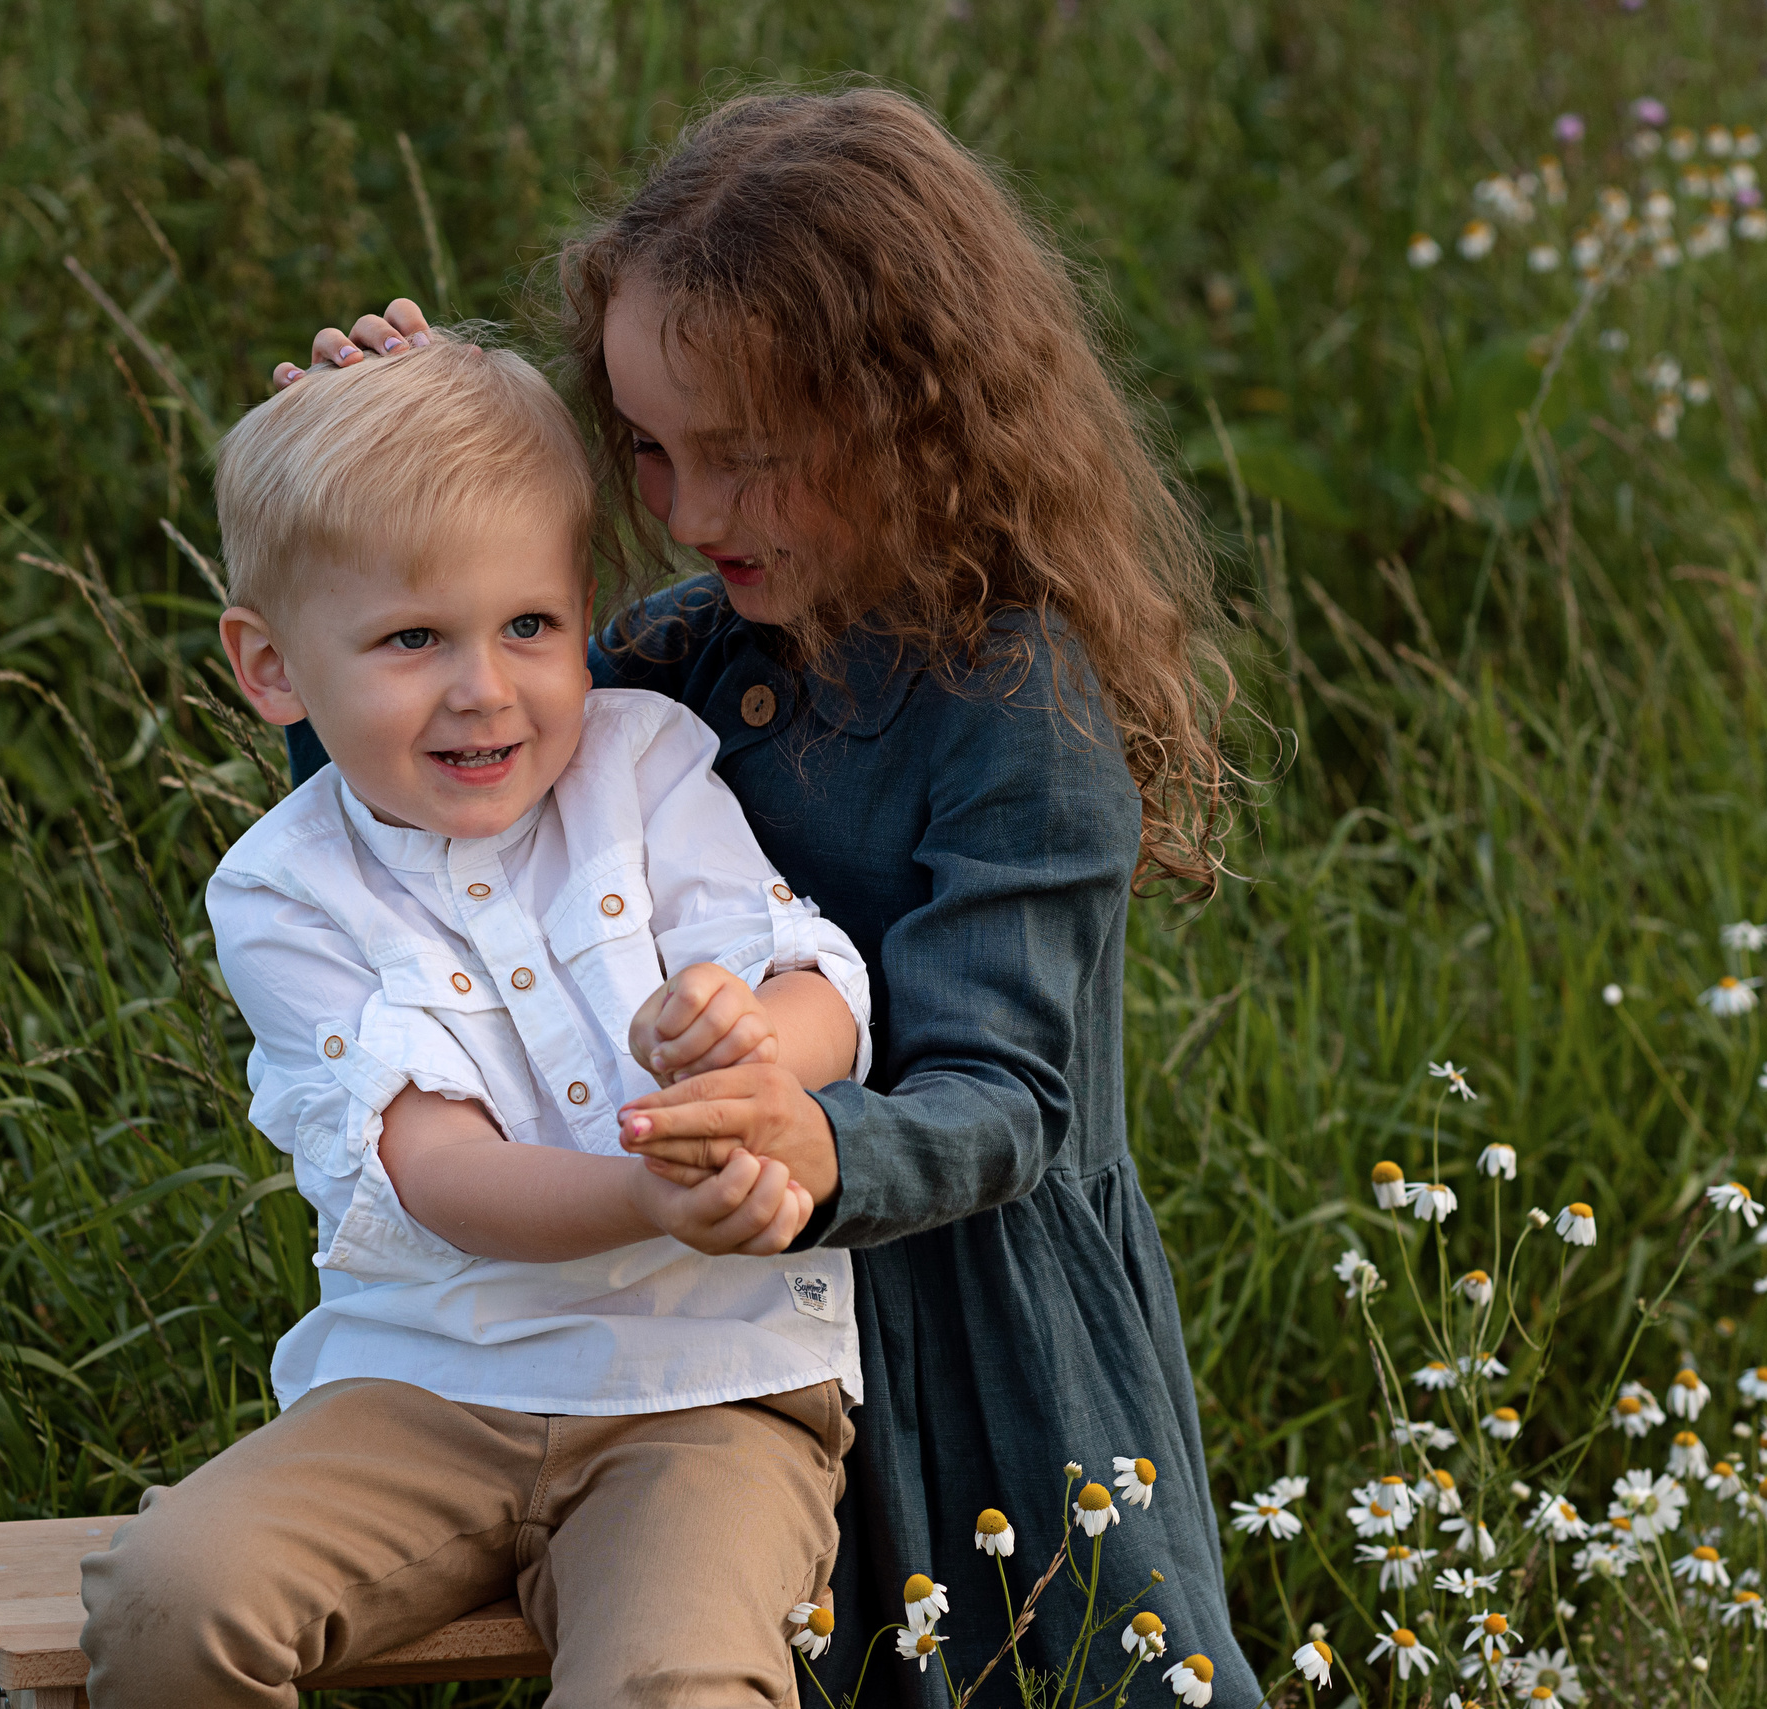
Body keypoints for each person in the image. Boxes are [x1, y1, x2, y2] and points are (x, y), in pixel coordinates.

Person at [280, 88, 1264, 1708]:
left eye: (745, 458)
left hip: (974, 1333)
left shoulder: (1018, 712)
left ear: (914, 427)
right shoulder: (689, 647)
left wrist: (826, 1143)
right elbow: (447, 822)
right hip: (708, 1329)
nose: (690, 511)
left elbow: (1006, 1098)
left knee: (1029, 1666)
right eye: (652, 451)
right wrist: (373, 534)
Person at [77, 334, 881, 1706]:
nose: (483, 689)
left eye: (530, 625)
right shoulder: (283, 890)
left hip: (706, 1392)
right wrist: (651, 1191)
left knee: (677, 1685)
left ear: (584, 614)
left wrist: (751, 1044)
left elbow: (818, 981)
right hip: (423, 1391)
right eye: (410, 639)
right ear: (271, 668)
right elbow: (436, 1171)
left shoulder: (646, 762)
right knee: (170, 1596)